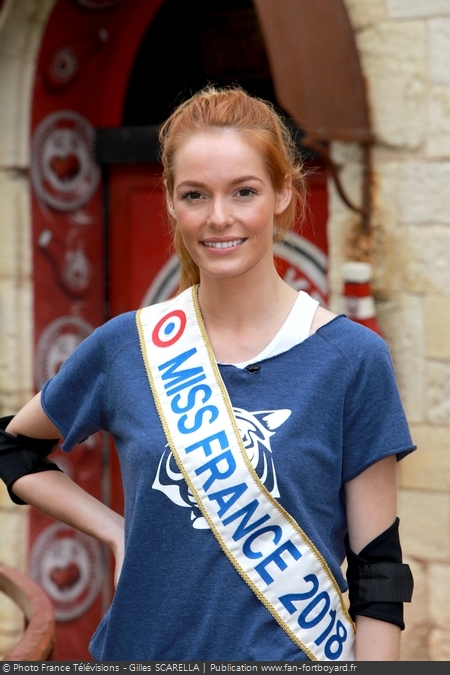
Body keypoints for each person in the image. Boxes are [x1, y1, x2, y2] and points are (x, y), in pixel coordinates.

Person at [0, 87, 415, 662]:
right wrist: (117, 531)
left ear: (282, 193)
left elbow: (379, 576)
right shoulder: (129, 345)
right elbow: (14, 446)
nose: (219, 217)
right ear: (171, 201)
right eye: (195, 194)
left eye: (243, 191)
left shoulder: (351, 359)